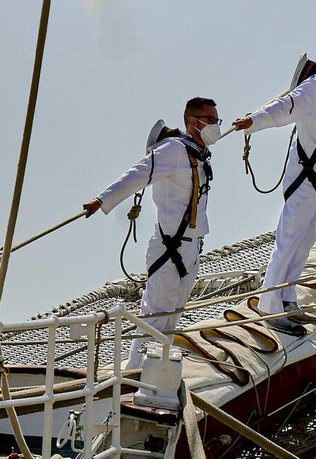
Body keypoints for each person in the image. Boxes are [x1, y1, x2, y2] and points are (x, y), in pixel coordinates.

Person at [229, 35, 316, 337]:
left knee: (304, 243)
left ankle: (287, 300)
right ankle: (269, 306)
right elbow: (284, 107)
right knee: (288, 241)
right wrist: (254, 121)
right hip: (306, 178)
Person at [84, 98, 223, 367]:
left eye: (217, 120)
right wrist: (103, 200)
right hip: (170, 249)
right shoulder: (174, 150)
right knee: (155, 318)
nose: (216, 126)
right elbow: (138, 173)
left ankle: (155, 375)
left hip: (191, 248)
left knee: (170, 320)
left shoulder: (198, 154)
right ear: (192, 121)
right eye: (211, 120)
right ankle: (136, 378)